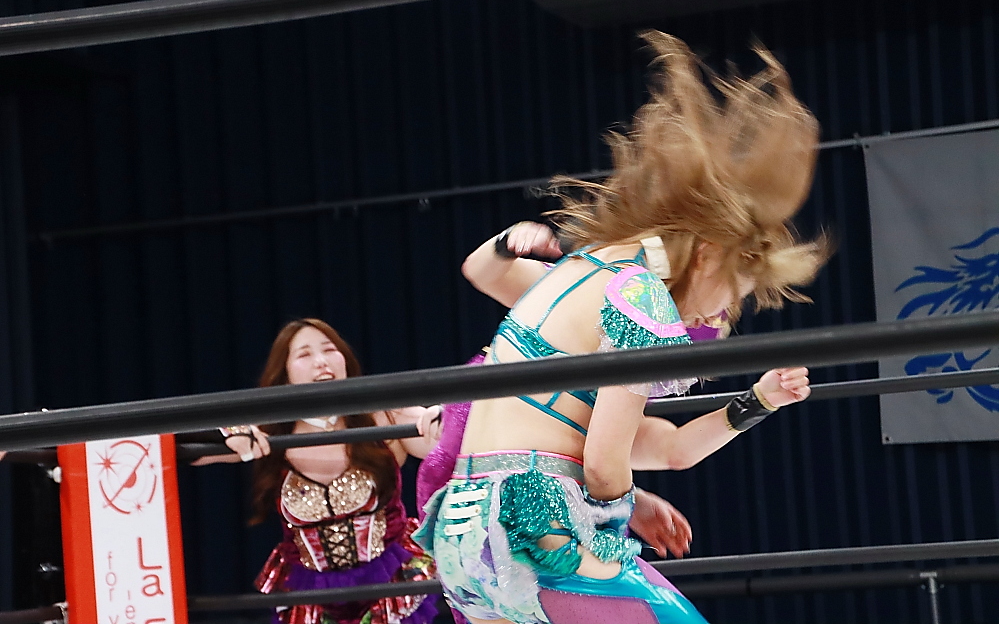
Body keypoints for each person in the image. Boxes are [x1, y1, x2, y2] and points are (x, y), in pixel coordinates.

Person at [414, 32, 828, 624]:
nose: (716, 317)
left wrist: (756, 402)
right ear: (708, 255)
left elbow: (665, 448)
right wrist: (623, 515)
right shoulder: (639, 296)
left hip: (464, 540)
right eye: (730, 297)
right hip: (536, 529)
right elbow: (605, 466)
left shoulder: (582, 270)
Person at [220, 318, 442, 624]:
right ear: (285, 374)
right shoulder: (268, 433)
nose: (321, 362)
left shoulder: (384, 415)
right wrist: (229, 431)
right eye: (305, 354)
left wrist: (442, 414)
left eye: (329, 349)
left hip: (391, 577)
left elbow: (448, 437)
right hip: (310, 590)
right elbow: (186, 445)